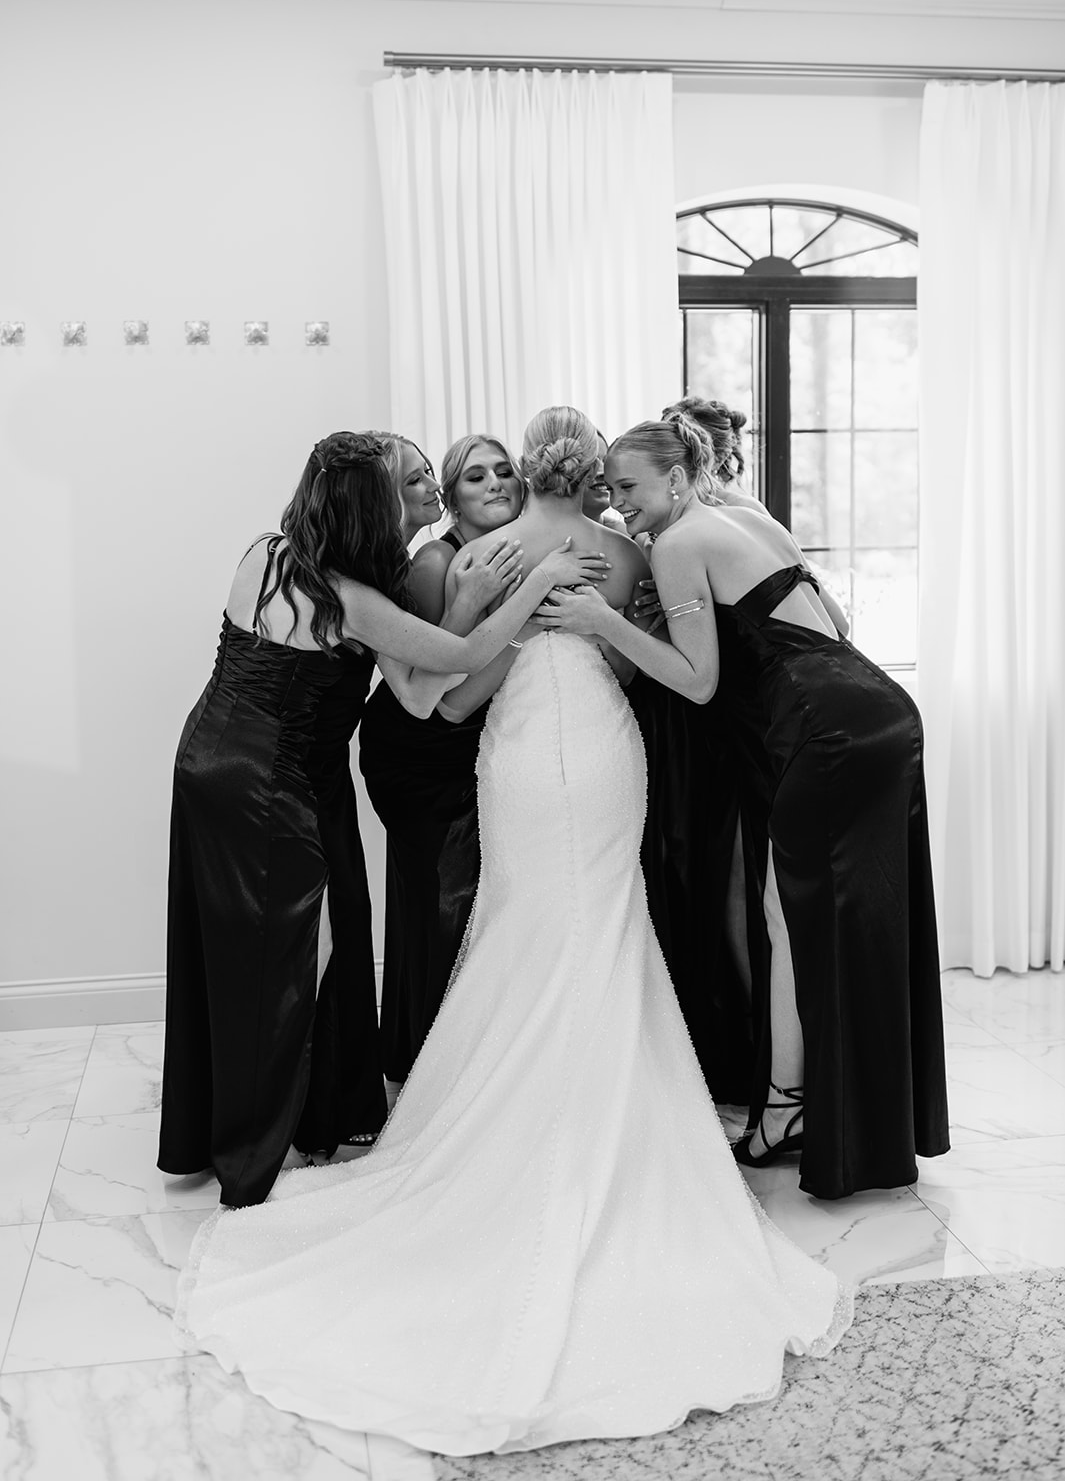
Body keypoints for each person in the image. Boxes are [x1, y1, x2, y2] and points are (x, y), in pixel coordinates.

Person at [176, 406, 851, 1454]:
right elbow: (630, 674)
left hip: (523, 755)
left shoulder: (466, 558)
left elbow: (448, 702)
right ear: (592, 474)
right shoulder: (628, 554)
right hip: (604, 746)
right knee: (603, 923)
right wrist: (580, 625)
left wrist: (521, 623)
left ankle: (470, 1116)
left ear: (526, 469)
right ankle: (606, 1120)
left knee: (526, 926)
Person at [158, 430, 599, 1209]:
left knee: (298, 935)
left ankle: (321, 1112)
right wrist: (539, 584)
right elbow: (450, 665)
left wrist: (465, 604)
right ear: (372, 503)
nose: (430, 485)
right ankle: (249, 1150)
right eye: (414, 479)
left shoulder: (278, 556)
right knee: (283, 957)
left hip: (236, 760)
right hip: (262, 777)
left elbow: (418, 690)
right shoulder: (350, 598)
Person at [538, 415, 949, 1201]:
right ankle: (829, 1110)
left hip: (823, 730)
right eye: (610, 489)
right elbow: (836, 624)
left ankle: (791, 1109)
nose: (618, 504)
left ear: (675, 477)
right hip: (878, 709)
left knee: (790, 921)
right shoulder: (749, 517)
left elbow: (695, 682)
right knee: (828, 917)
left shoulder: (677, 544)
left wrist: (602, 621)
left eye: (628, 486)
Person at [360, 433, 529, 1083]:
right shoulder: (436, 561)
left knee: (462, 895)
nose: (494, 484)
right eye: (474, 477)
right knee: (444, 896)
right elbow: (431, 682)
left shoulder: (517, 548)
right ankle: (434, 1063)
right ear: (454, 499)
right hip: (418, 745)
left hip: (470, 739)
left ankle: (433, 1044)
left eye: (503, 471)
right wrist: (505, 617)